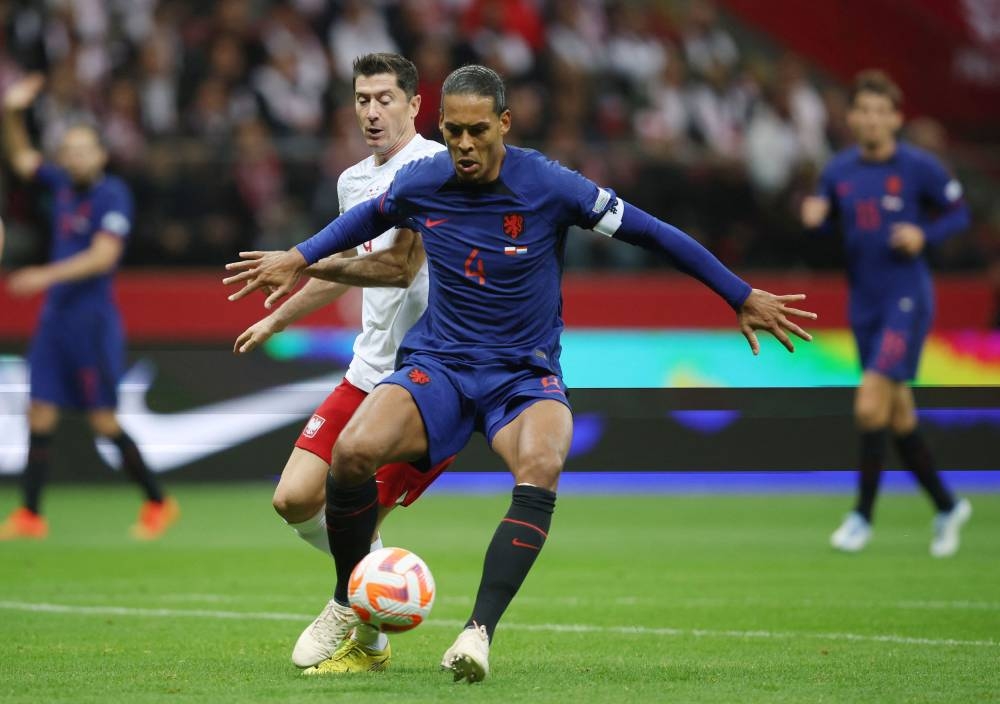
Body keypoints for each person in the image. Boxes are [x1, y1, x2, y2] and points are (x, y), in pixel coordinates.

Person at [227, 64, 816, 683]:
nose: (463, 145)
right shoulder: (424, 179)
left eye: (477, 131)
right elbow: (362, 223)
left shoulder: (550, 184)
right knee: (351, 453)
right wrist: (295, 257)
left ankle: (477, 634)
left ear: (503, 124)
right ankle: (353, 603)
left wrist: (738, 293)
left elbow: (653, 233)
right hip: (441, 369)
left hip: (522, 375)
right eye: (452, 132)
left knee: (540, 468)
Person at [225, 53, 453, 674]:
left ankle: (347, 607)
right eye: (361, 100)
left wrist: (301, 257)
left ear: (414, 105)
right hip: (365, 369)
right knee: (294, 500)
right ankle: (373, 599)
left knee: (352, 508)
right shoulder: (354, 181)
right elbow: (350, 264)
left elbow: (398, 267)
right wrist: (280, 315)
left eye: (384, 98)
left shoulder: (434, 167)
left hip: (427, 381)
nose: (372, 111)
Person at [801, 69, 972, 557]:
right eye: (864, 110)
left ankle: (862, 516)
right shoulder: (838, 172)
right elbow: (820, 215)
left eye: (882, 111)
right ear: (852, 117)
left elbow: (958, 213)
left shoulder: (920, 167)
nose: (872, 120)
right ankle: (946, 504)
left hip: (907, 295)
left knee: (870, 402)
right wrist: (813, 218)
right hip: (864, 302)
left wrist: (926, 235)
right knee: (898, 416)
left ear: (896, 118)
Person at [0, 74, 178, 541]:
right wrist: (11, 112)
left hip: (91, 321)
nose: (76, 155)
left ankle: (159, 502)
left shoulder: (111, 194)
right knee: (38, 412)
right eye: (70, 149)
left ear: (101, 154)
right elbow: (20, 158)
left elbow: (104, 256)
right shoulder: (61, 184)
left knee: (103, 421)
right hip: (55, 319)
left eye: (85, 148)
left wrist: (43, 275)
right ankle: (30, 515)